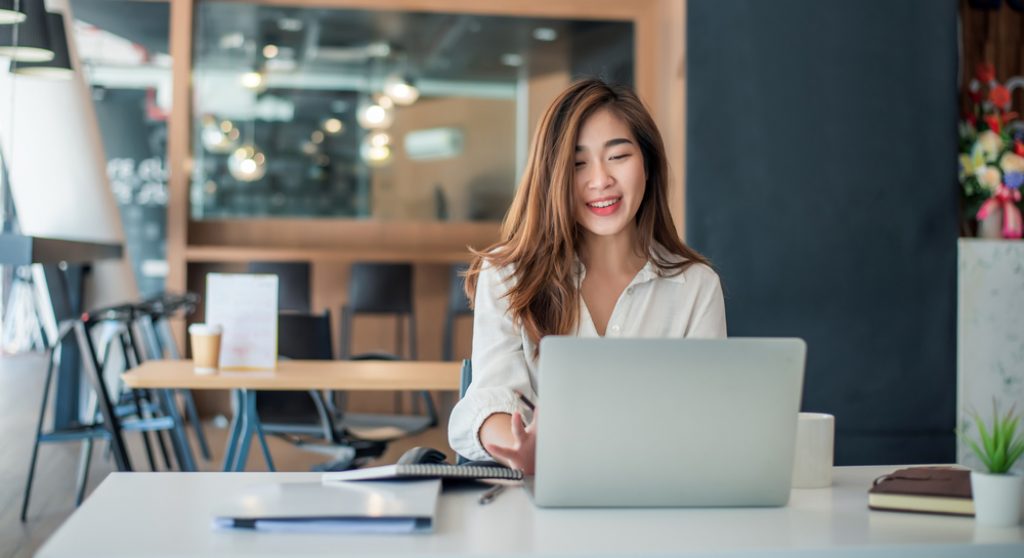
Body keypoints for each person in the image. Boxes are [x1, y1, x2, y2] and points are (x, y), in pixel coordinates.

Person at [448, 78, 727, 474]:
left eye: (618, 156)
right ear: (553, 176)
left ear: (647, 163)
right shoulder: (509, 275)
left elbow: (709, 418)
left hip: (659, 501)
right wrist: (524, 447)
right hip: (538, 506)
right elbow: (492, 399)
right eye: (578, 164)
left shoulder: (696, 286)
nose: (600, 180)